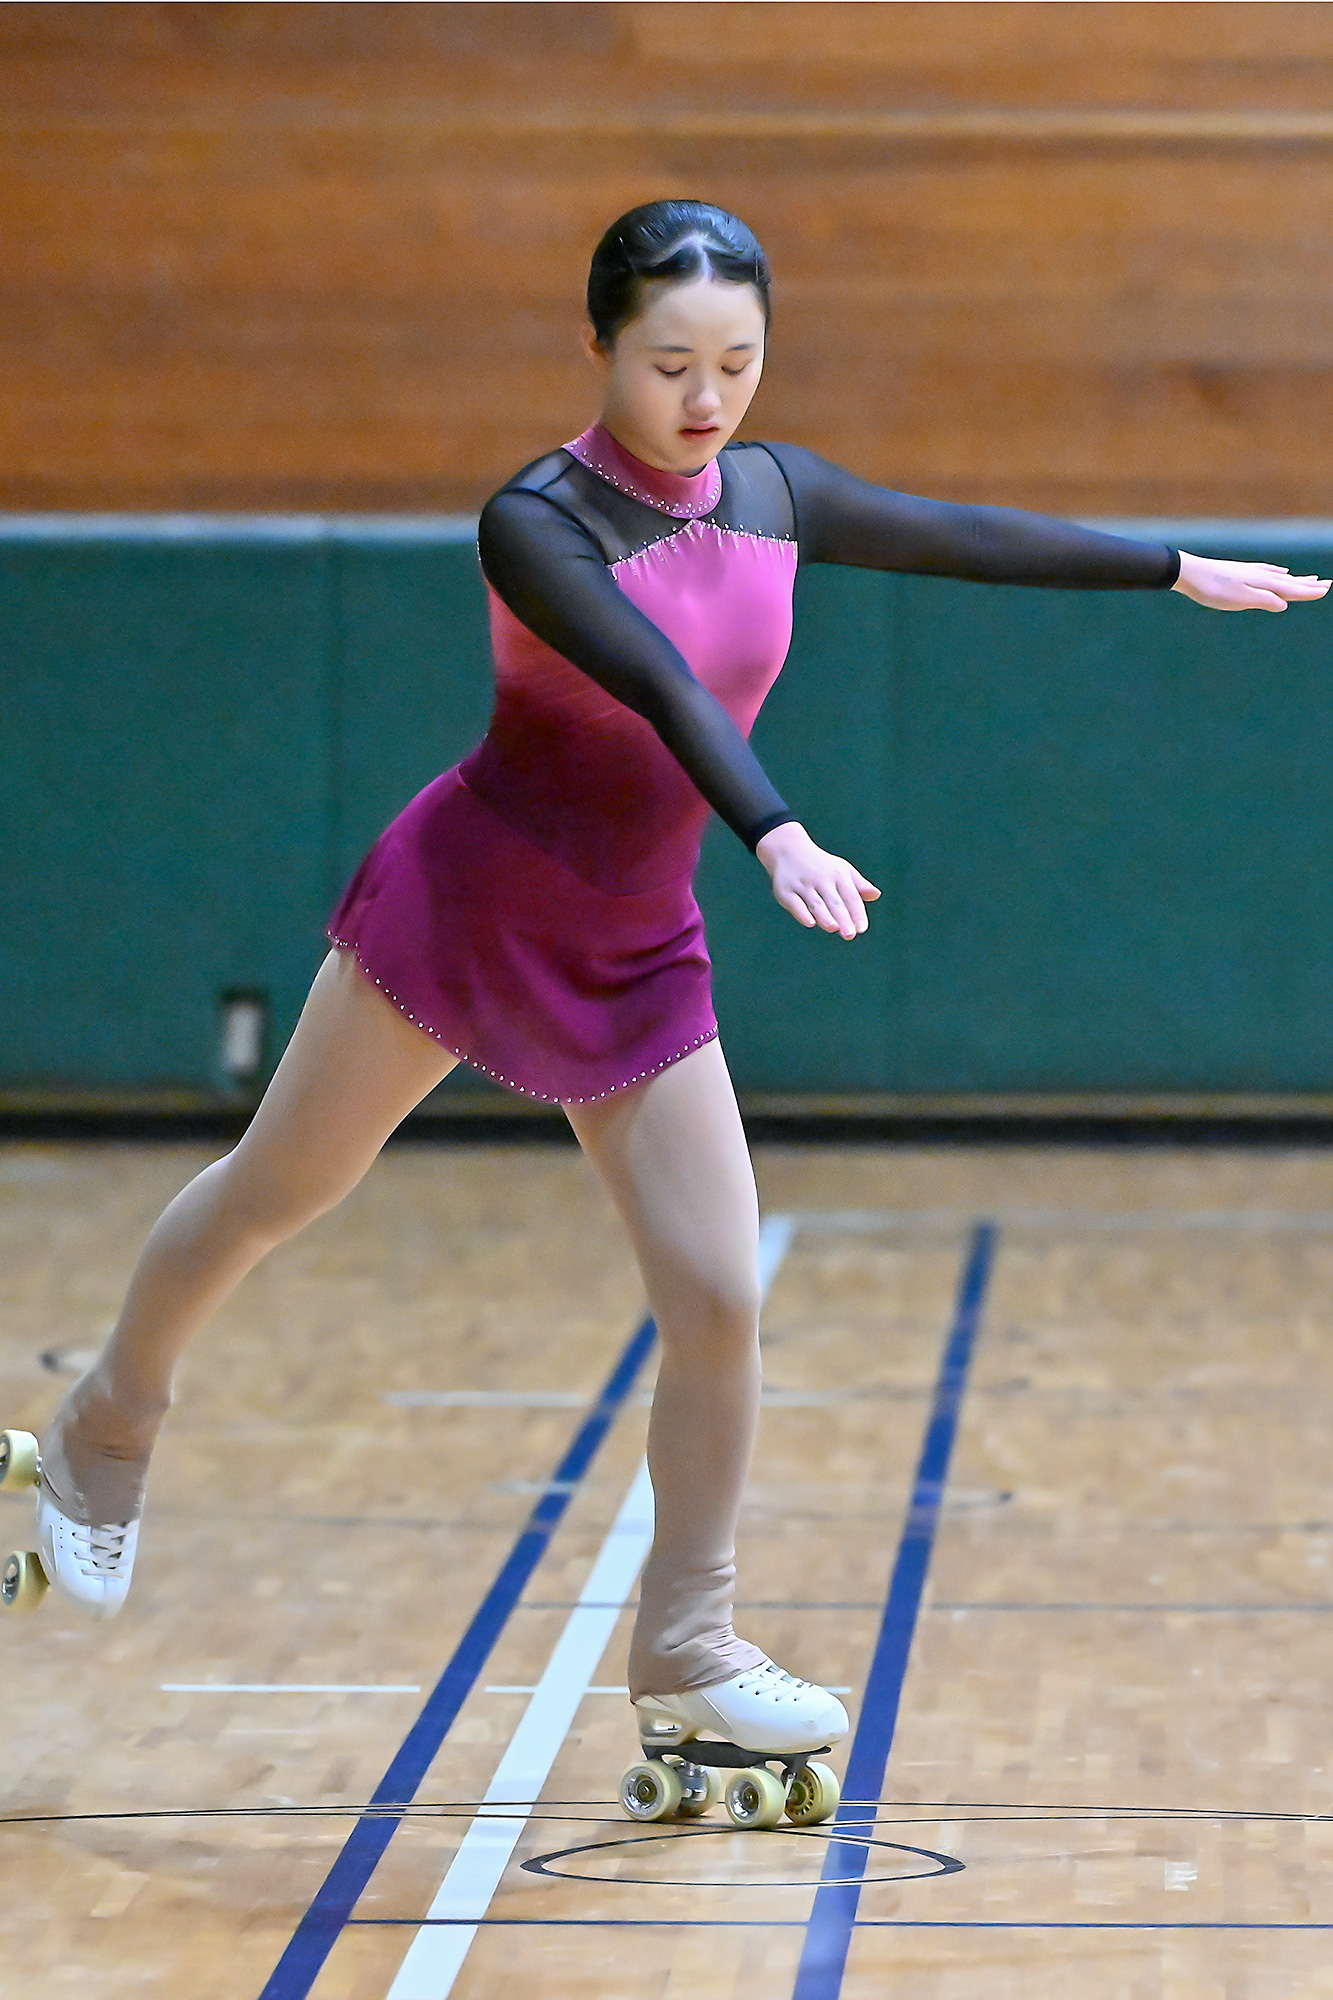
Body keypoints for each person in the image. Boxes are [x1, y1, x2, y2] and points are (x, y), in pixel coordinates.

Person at [4, 202, 1325, 1763]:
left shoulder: (774, 492)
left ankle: (687, 1646)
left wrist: (1173, 568)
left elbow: (958, 533)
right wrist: (774, 830)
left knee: (714, 1295)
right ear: (600, 347)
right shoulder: (538, 522)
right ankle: (107, 1423)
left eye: (737, 364)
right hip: (469, 906)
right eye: (670, 363)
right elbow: (656, 679)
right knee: (278, 1190)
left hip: (634, 942)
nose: (706, 399)